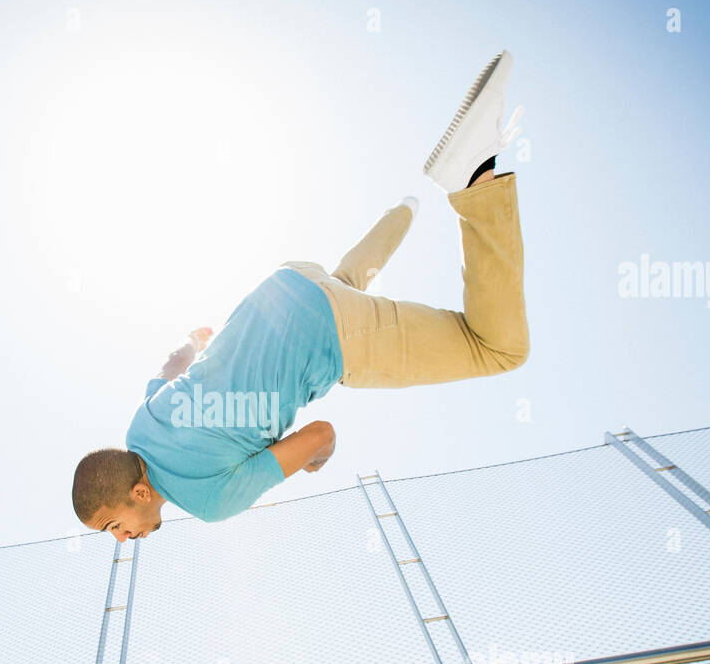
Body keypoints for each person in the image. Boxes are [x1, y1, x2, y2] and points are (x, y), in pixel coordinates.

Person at [73, 49, 528, 541]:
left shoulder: (206, 500)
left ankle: (474, 177)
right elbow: (169, 366)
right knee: (345, 283)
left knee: (499, 349)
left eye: (114, 526)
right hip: (288, 287)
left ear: (139, 495)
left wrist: (314, 459)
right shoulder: (141, 425)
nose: (123, 539)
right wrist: (194, 342)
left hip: (329, 335)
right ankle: (405, 209)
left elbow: (321, 435)